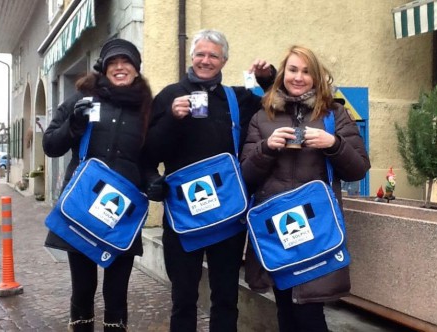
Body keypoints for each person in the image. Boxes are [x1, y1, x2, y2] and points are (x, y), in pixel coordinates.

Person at [143, 29, 274, 332]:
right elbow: (149, 152)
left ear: (224, 60)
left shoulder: (237, 98)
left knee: (226, 297)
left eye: (213, 55)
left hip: (227, 215)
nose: (205, 60)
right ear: (191, 57)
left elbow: (276, 105)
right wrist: (172, 120)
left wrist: (268, 79)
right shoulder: (169, 95)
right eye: (200, 54)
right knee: (183, 297)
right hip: (183, 216)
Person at [240, 45, 371, 332]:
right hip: (277, 231)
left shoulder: (334, 114)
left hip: (316, 230)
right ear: (282, 74)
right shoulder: (263, 117)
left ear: (317, 77)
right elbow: (245, 177)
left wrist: (333, 144)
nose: (298, 77)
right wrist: (266, 148)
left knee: (309, 315)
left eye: (306, 72)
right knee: (285, 311)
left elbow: (359, 168)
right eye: (293, 70)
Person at [42, 38, 153, 332]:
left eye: (126, 62)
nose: (119, 67)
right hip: (82, 208)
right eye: (113, 62)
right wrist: (74, 125)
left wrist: (153, 181)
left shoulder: (146, 109)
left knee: (116, 293)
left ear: (136, 69)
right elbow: (51, 145)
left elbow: (149, 158)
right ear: (103, 69)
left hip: (122, 212)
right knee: (83, 289)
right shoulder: (82, 99)